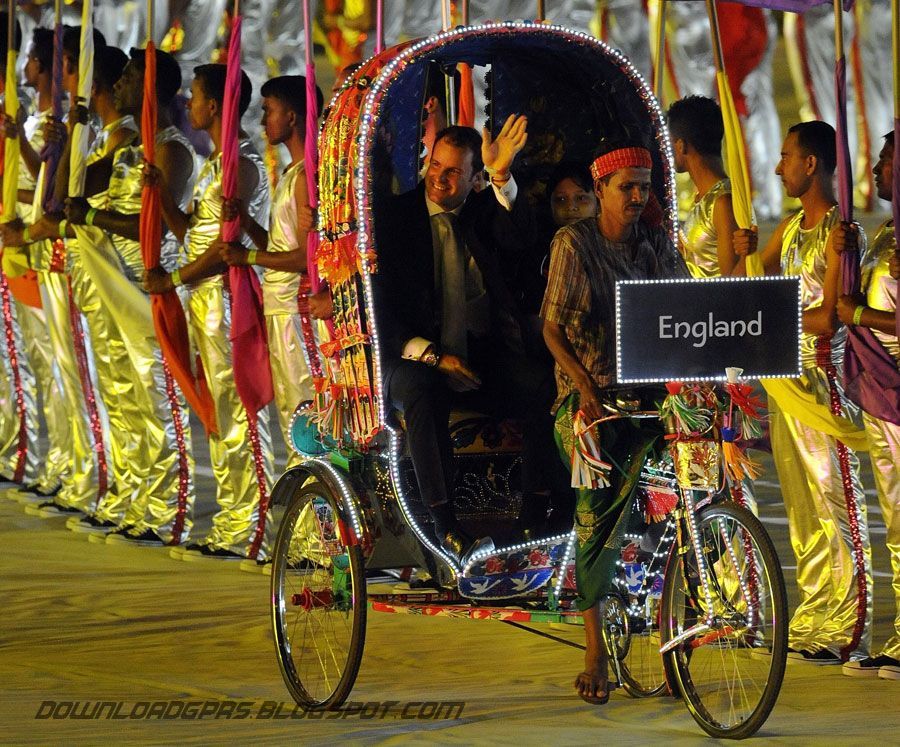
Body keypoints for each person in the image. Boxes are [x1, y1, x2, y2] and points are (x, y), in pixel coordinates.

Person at [372, 117, 561, 561]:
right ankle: (444, 524)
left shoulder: (482, 210)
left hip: (479, 356)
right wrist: (435, 357)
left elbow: (519, 237)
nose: (439, 177)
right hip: (411, 357)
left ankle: (534, 514)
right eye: (435, 165)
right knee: (422, 390)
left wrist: (501, 175)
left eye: (455, 171)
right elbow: (382, 309)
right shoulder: (395, 218)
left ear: (475, 178)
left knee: (545, 385)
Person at [541, 142, 688, 705]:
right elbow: (551, 330)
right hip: (588, 401)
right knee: (595, 509)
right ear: (599, 189)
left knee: (697, 483)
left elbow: (684, 307)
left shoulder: (654, 242)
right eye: (625, 186)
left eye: (644, 187)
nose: (636, 196)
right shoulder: (573, 243)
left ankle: (681, 627)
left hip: (649, 396)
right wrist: (584, 388)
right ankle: (595, 649)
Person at [734, 121, 872, 663]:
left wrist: (775, 313)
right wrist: (740, 250)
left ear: (811, 164)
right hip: (783, 382)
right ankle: (815, 617)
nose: (777, 166)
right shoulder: (791, 228)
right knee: (800, 506)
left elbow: (827, 320)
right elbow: (746, 285)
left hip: (824, 384)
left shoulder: (842, 232)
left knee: (834, 500)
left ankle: (846, 625)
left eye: (786, 156)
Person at [60, 46, 197, 545]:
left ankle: (167, 511)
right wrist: (75, 135)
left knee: (154, 396)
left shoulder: (169, 148)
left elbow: (156, 229)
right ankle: (135, 499)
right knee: (122, 395)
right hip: (112, 285)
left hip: (147, 288)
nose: (116, 85)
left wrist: (93, 218)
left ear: (148, 88)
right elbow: (72, 196)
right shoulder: (128, 148)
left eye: (128, 78)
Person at [144, 63, 274, 561]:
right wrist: (160, 193)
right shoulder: (215, 164)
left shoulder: (240, 163)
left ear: (215, 105)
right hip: (203, 302)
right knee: (217, 413)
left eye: (195, 96)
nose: (188, 104)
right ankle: (230, 519)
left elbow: (224, 250)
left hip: (224, 298)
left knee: (238, 410)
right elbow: (193, 236)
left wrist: (173, 279)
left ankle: (251, 527)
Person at [220, 74, 322, 469]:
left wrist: (246, 259)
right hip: (280, 309)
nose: (263, 121)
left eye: (269, 111)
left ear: (293, 116)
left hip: (297, 312)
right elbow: (280, 247)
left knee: (305, 412)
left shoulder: (305, 177)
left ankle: (318, 513)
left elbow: (303, 260)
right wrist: (246, 225)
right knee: (288, 410)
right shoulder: (291, 173)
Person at [836, 132, 900, 680]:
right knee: (895, 521)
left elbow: (863, 312)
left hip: (897, 393)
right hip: (881, 398)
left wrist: (857, 316)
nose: (877, 168)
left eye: (886, 159)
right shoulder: (884, 233)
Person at [667, 95, 744, 277]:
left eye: (669, 143)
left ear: (681, 146)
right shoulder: (704, 197)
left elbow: (731, 284)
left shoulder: (723, 202)